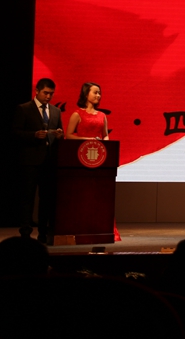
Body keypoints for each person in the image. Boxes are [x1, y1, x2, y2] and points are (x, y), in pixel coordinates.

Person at [65, 82, 120, 241]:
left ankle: (103, 228)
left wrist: (105, 145)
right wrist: (87, 140)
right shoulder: (77, 114)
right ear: (85, 94)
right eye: (95, 92)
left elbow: (105, 135)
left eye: (99, 93)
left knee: (100, 195)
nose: (98, 96)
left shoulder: (102, 115)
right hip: (82, 159)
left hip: (100, 159)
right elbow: (69, 135)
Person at [13, 78, 63, 244]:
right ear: (37, 91)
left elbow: (60, 132)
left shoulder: (56, 111)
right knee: (27, 198)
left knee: (46, 199)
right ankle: (25, 234)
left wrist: (59, 134)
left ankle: (43, 233)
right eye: (45, 93)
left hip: (49, 161)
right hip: (30, 161)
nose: (48, 96)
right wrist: (33, 135)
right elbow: (15, 133)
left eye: (51, 94)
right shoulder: (24, 108)